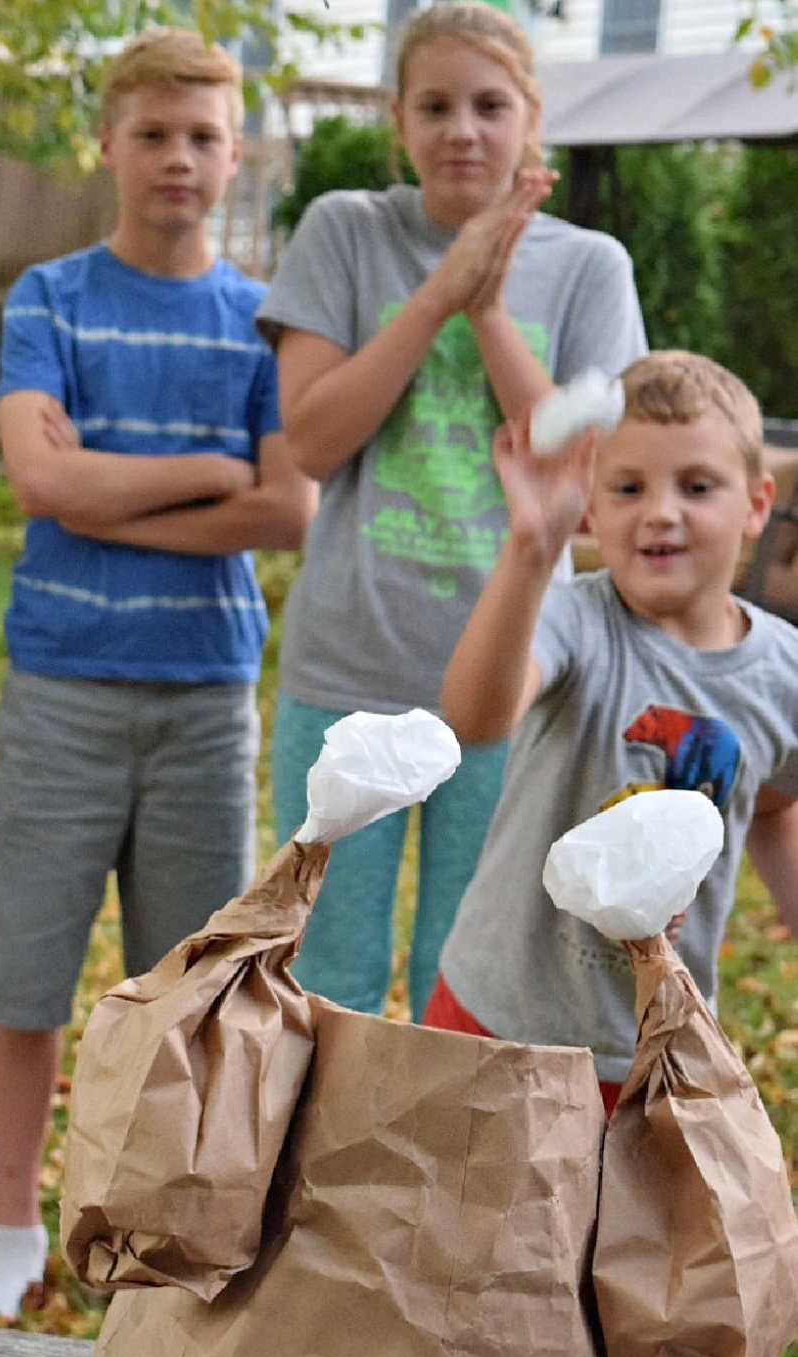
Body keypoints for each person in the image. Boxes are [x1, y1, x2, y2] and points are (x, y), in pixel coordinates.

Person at [0, 29, 313, 1325]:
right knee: (24, 974)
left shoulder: (263, 323)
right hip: (63, 682)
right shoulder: (47, 297)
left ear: (236, 155)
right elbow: (40, 481)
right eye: (153, 133)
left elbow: (292, 510)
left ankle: (170, 1238)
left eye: (203, 137)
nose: (178, 157)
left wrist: (117, 493)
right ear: (105, 143)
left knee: (194, 991)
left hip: (206, 693)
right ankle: (11, 1232)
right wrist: (210, 473)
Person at [256, 0, 647, 1021]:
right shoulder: (345, 230)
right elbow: (310, 439)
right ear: (397, 119)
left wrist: (484, 310)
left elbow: (591, 472)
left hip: (515, 684)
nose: (460, 129)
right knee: (321, 980)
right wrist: (433, 296)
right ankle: (312, 1185)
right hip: (345, 674)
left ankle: (437, 1190)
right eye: (433, 106)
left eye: (487, 105)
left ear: (530, 119)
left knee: (467, 985)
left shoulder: (587, 266)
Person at [425, 350, 798, 1114]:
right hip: (496, 1030)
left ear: (757, 504)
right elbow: (476, 716)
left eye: (697, 486)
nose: (660, 511)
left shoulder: (784, 671)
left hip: (656, 1051)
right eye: (628, 488)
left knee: (622, 1239)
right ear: (592, 509)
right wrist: (530, 548)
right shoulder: (570, 618)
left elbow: (776, 804)